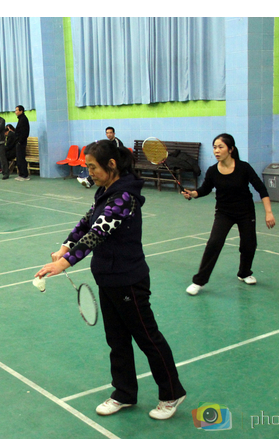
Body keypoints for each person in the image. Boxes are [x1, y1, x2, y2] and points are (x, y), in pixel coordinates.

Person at [35, 139, 187, 420]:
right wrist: (65, 247)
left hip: (128, 279)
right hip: (108, 278)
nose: (89, 172)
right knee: (117, 340)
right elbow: (87, 221)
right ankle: (124, 393)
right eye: (87, 167)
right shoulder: (106, 191)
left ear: (112, 165)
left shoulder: (124, 197)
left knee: (147, 338)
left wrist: (63, 264)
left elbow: (98, 233)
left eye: (93, 167)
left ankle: (171, 393)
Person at [181, 133, 276, 296]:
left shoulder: (243, 168)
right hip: (224, 213)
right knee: (214, 243)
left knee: (249, 245)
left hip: (245, 212)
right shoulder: (212, 171)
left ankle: (244, 273)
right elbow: (205, 189)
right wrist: (193, 194)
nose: (216, 151)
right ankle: (199, 281)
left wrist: (269, 212)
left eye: (220, 147)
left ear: (230, 149)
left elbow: (261, 188)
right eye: (214, 147)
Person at [14, 105, 30, 181]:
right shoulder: (20, 119)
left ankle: (24, 175)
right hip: (19, 142)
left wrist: (20, 141)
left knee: (21, 159)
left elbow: (24, 132)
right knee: (19, 159)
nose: (15, 112)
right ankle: (21, 174)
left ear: (21, 111)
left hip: (21, 142)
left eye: (17, 110)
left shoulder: (23, 119)